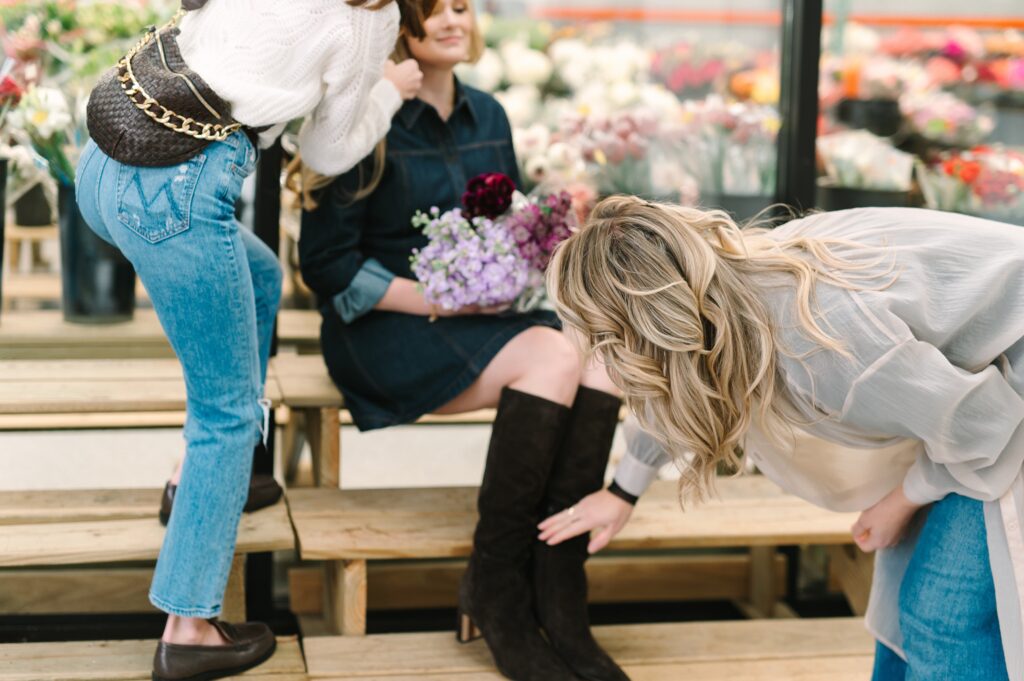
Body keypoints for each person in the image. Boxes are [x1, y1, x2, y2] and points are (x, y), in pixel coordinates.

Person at [75, 1, 425, 679]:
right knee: (230, 414)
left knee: (259, 275)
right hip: (176, 189)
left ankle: (194, 481)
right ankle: (188, 625)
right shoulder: (368, 15)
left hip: (108, 156)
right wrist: (389, 91)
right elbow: (324, 149)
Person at [543, 199, 1024, 681]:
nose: (596, 361)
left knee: (944, 618)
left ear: (650, 330)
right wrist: (624, 489)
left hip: (1008, 413)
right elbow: (679, 373)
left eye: (604, 341)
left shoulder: (824, 342)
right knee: (903, 606)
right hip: (980, 404)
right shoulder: (730, 284)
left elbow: (986, 431)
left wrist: (902, 500)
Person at [298, 1, 628, 679]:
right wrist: (443, 299)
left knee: (600, 358)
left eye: (462, 6)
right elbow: (327, 266)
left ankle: (558, 588)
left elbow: (499, 225)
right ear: (398, 26)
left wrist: (541, 232)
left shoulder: (490, 115)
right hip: (384, 328)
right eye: (433, 7)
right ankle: (501, 586)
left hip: (479, 316)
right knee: (553, 355)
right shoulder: (370, 115)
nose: (453, 19)